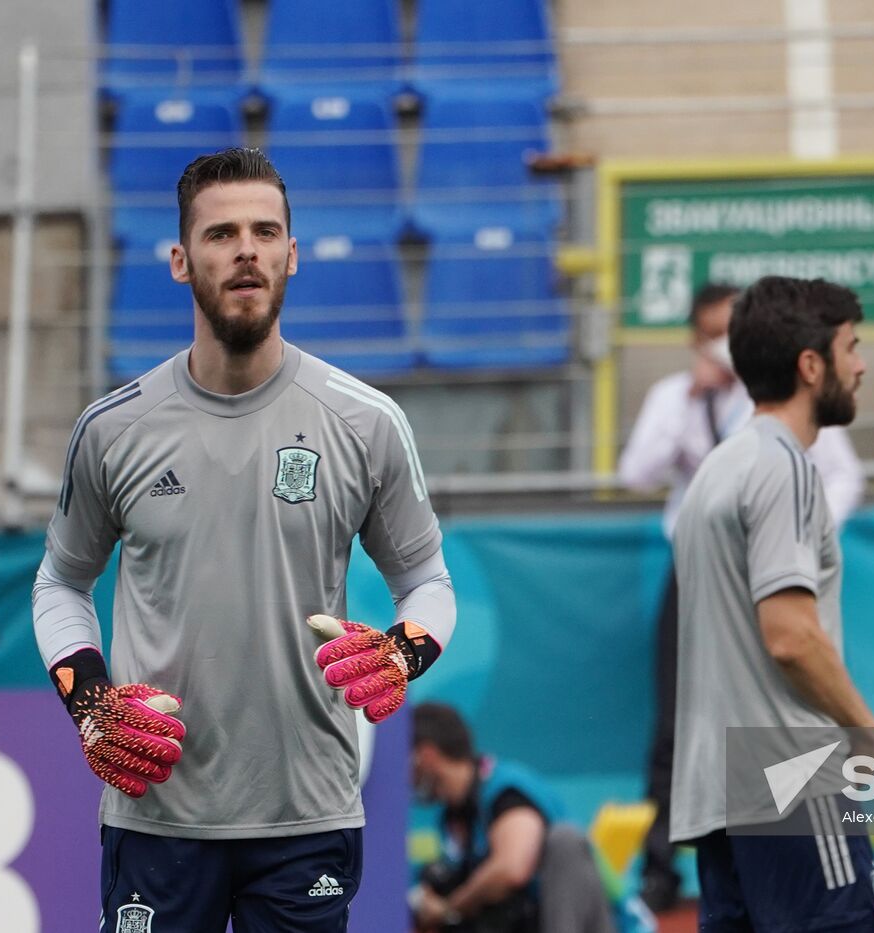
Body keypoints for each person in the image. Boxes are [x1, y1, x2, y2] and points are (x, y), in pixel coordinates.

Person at [32, 148, 456, 930]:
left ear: (292, 254)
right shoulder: (112, 428)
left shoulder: (365, 421)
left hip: (308, 817)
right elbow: (61, 581)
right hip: (155, 818)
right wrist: (90, 699)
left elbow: (427, 577)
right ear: (179, 260)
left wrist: (406, 649)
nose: (246, 249)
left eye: (266, 231)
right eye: (221, 233)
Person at [617, 282, 864, 909]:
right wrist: (865, 727)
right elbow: (790, 638)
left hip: (720, 800)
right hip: (794, 780)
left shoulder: (717, 474)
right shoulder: (782, 467)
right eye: (851, 348)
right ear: (811, 365)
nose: (860, 366)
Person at [410, 703, 616, 933]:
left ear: (426, 756)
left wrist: (448, 908)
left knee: (565, 841)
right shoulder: (451, 817)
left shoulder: (505, 790)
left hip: (595, 923)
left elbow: (511, 869)